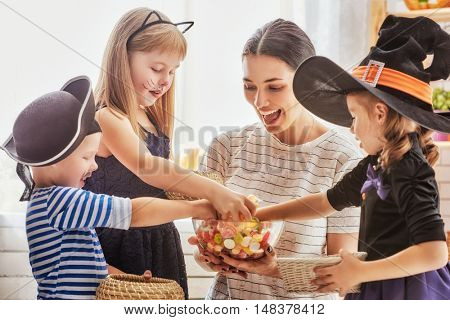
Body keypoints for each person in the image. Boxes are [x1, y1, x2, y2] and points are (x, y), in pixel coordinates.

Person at [252, 15, 450, 299]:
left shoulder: (411, 169)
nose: (351, 126)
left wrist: (361, 272)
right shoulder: (377, 163)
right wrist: (260, 216)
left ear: (380, 114)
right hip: (376, 280)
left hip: (408, 291)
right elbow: (324, 202)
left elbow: (434, 253)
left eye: (354, 116)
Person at [83, 8, 255, 299]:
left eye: (173, 72)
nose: (165, 80)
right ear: (122, 58)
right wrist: (214, 192)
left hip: (161, 243)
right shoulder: (109, 117)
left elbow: (166, 180)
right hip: (121, 245)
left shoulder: (151, 119)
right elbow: (149, 167)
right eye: (156, 68)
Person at [190, 18, 362, 300]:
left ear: (310, 84)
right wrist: (208, 257)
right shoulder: (225, 147)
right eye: (249, 86)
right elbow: (203, 242)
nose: (259, 102)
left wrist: (274, 268)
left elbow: (344, 278)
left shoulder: (343, 158)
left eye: (274, 87)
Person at [0, 76, 216, 299]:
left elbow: (84, 264)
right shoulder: (60, 200)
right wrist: (198, 208)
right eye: (86, 157)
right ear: (54, 159)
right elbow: (135, 213)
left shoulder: (47, 202)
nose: (94, 165)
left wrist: (126, 279)